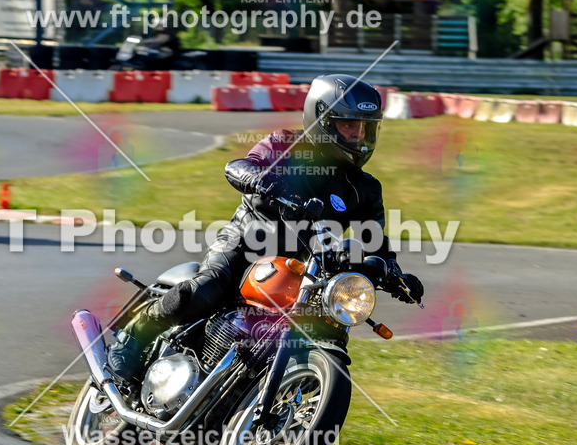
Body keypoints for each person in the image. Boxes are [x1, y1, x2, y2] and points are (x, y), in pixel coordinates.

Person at [107, 74, 425, 384]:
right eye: (348, 125)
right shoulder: (285, 145)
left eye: (364, 129)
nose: (357, 136)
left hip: (299, 267)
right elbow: (237, 167)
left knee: (324, 322)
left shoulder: (365, 188)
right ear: (322, 121)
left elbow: (374, 241)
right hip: (246, 244)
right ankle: (133, 334)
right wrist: (260, 179)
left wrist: (395, 273)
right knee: (207, 288)